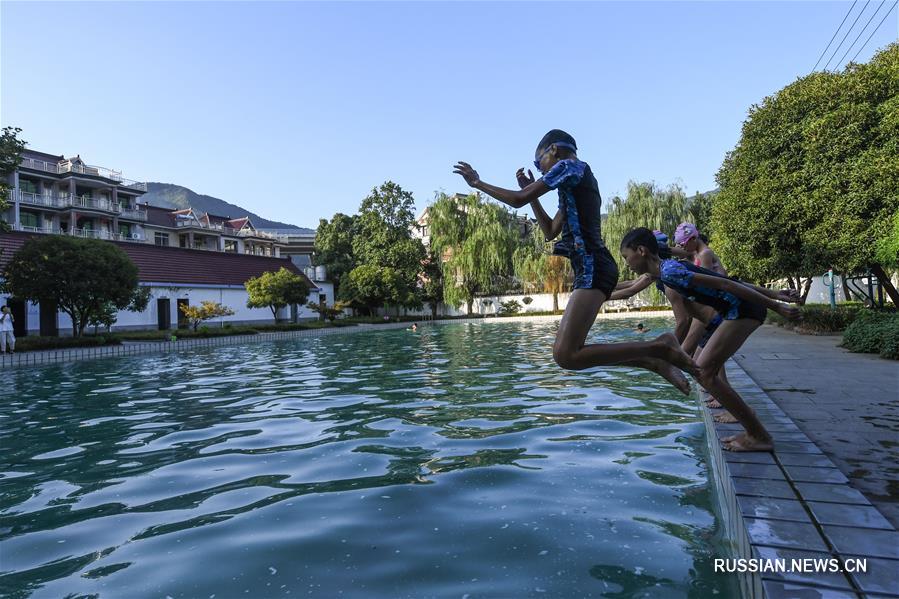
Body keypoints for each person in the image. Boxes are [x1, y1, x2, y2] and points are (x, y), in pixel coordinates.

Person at [453, 130, 696, 394]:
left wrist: (477, 183)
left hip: (593, 265)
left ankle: (659, 348)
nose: (541, 170)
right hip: (590, 268)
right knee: (567, 356)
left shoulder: (570, 166)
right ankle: (653, 360)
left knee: (565, 354)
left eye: (539, 163)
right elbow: (549, 231)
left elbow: (517, 200)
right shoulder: (575, 185)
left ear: (554, 150)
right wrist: (532, 195)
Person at [618, 227, 802, 452]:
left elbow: (726, 284)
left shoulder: (670, 273)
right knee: (704, 372)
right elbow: (726, 280)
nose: (627, 263)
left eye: (626, 257)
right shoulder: (665, 272)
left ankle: (758, 435)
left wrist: (776, 305)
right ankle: (753, 429)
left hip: (742, 310)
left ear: (641, 251)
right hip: (736, 311)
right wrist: (773, 294)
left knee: (703, 372)